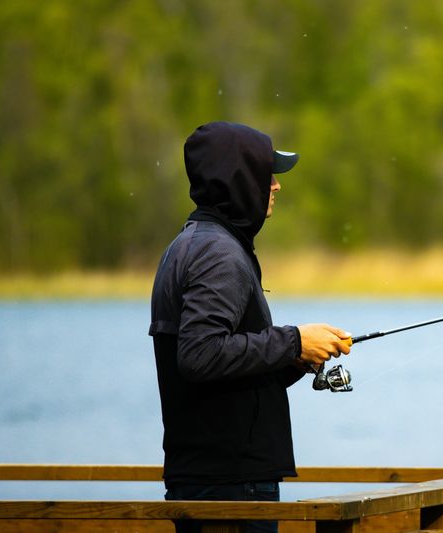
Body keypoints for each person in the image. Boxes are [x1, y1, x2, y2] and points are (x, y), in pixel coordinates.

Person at [149, 121, 352, 533]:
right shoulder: (217, 254)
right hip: (228, 489)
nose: (275, 186)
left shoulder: (195, 243)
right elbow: (200, 355)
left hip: (216, 481)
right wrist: (294, 341)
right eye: (267, 174)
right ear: (239, 179)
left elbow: (224, 363)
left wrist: (302, 356)